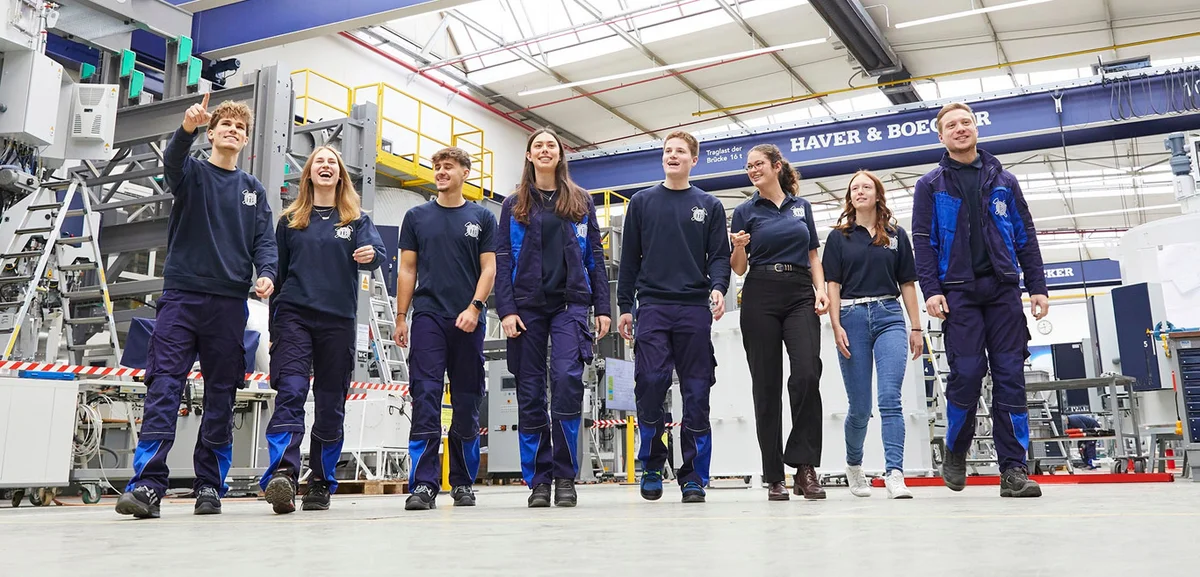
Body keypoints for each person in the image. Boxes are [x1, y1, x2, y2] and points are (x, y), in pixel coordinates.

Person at [116, 93, 277, 519]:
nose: (233, 130)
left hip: (228, 304)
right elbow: (171, 161)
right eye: (225, 125)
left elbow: (265, 240)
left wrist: (267, 273)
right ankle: (148, 486)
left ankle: (210, 485)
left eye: (240, 128)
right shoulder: (191, 173)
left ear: (244, 141)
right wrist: (185, 128)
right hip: (182, 298)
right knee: (165, 385)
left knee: (222, 393)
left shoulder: (253, 191)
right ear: (211, 133)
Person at [912, 101, 1049, 498]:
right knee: (967, 375)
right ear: (941, 136)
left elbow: (1025, 235)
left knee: (1010, 378)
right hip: (959, 294)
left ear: (976, 129)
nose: (960, 128)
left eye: (965, 122)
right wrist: (932, 290)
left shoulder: (1003, 179)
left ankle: (1014, 470)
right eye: (951, 125)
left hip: (1003, 290)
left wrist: (1037, 286)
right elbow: (924, 242)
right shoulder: (931, 185)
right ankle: (955, 451)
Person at [257, 146, 386, 514]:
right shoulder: (290, 221)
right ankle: (283, 472)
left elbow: (377, 253)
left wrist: (369, 255)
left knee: (331, 402)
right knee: (292, 390)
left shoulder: (356, 220)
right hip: (294, 316)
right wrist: (271, 317)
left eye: (333, 162)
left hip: (337, 320)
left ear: (341, 174)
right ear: (309, 174)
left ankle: (320, 481)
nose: (326, 166)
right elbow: (276, 271)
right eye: (319, 162)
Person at [495, 129, 611, 508]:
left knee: (565, 382)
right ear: (529, 156)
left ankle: (565, 477)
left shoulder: (580, 201)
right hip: (526, 309)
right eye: (538, 146)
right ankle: (538, 481)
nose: (545, 150)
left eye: (552, 146)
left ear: (561, 155)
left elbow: (594, 255)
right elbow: (503, 259)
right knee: (530, 393)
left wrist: (603, 307)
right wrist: (507, 310)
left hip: (569, 306)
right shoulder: (514, 204)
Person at [617, 130, 730, 504]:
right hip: (651, 305)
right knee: (650, 382)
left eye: (680, 151)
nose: (673, 155)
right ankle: (652, 464)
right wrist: (624, 306)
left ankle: (694, 476)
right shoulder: (642, 202)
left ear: (693, 160)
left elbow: (718, 255)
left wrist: (718, 286)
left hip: (693, 308)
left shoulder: (709, 206)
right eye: (668, 151)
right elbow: (629, 258)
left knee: (697, 391)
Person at [393, 147, 496, 511]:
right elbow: (407, 269)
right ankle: (423, 484)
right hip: (428, 316)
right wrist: (401, 316)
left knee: (467, 400)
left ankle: (464, 483)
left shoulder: (482, 217)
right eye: (436, 167)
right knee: (425, 396)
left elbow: (489, 269)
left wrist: (475, 307)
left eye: (448, 167)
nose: (440, 172)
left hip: (468, 319)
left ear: (465, 173)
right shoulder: (417, 217)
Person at [729, 144, 829, 501]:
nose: (752, 170)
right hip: (760, 293)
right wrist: (739, 246)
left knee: (806, 374)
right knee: (766, 386)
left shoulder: (802, 207)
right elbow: (738, 268)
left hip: (801, 291)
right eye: (748, 166)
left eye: (758, 164)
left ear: (776, 166)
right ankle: (774, 475)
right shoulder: (744, 211)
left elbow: (813, 255)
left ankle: (804, 466)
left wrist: (821, 290)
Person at [823, 170, 922, 500]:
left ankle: (895, 473)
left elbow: (907, 282)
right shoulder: (839, 237)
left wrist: (916, 327)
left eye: (866, 186)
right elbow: (832, 285)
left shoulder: (895, 235)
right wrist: (835, 325)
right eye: (854, 188)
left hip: (889, 316)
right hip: (850, 318)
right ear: (849, 197)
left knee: (889, 398)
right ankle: (854, 465)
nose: (859, 191)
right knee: (861, 407)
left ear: (878, 195)